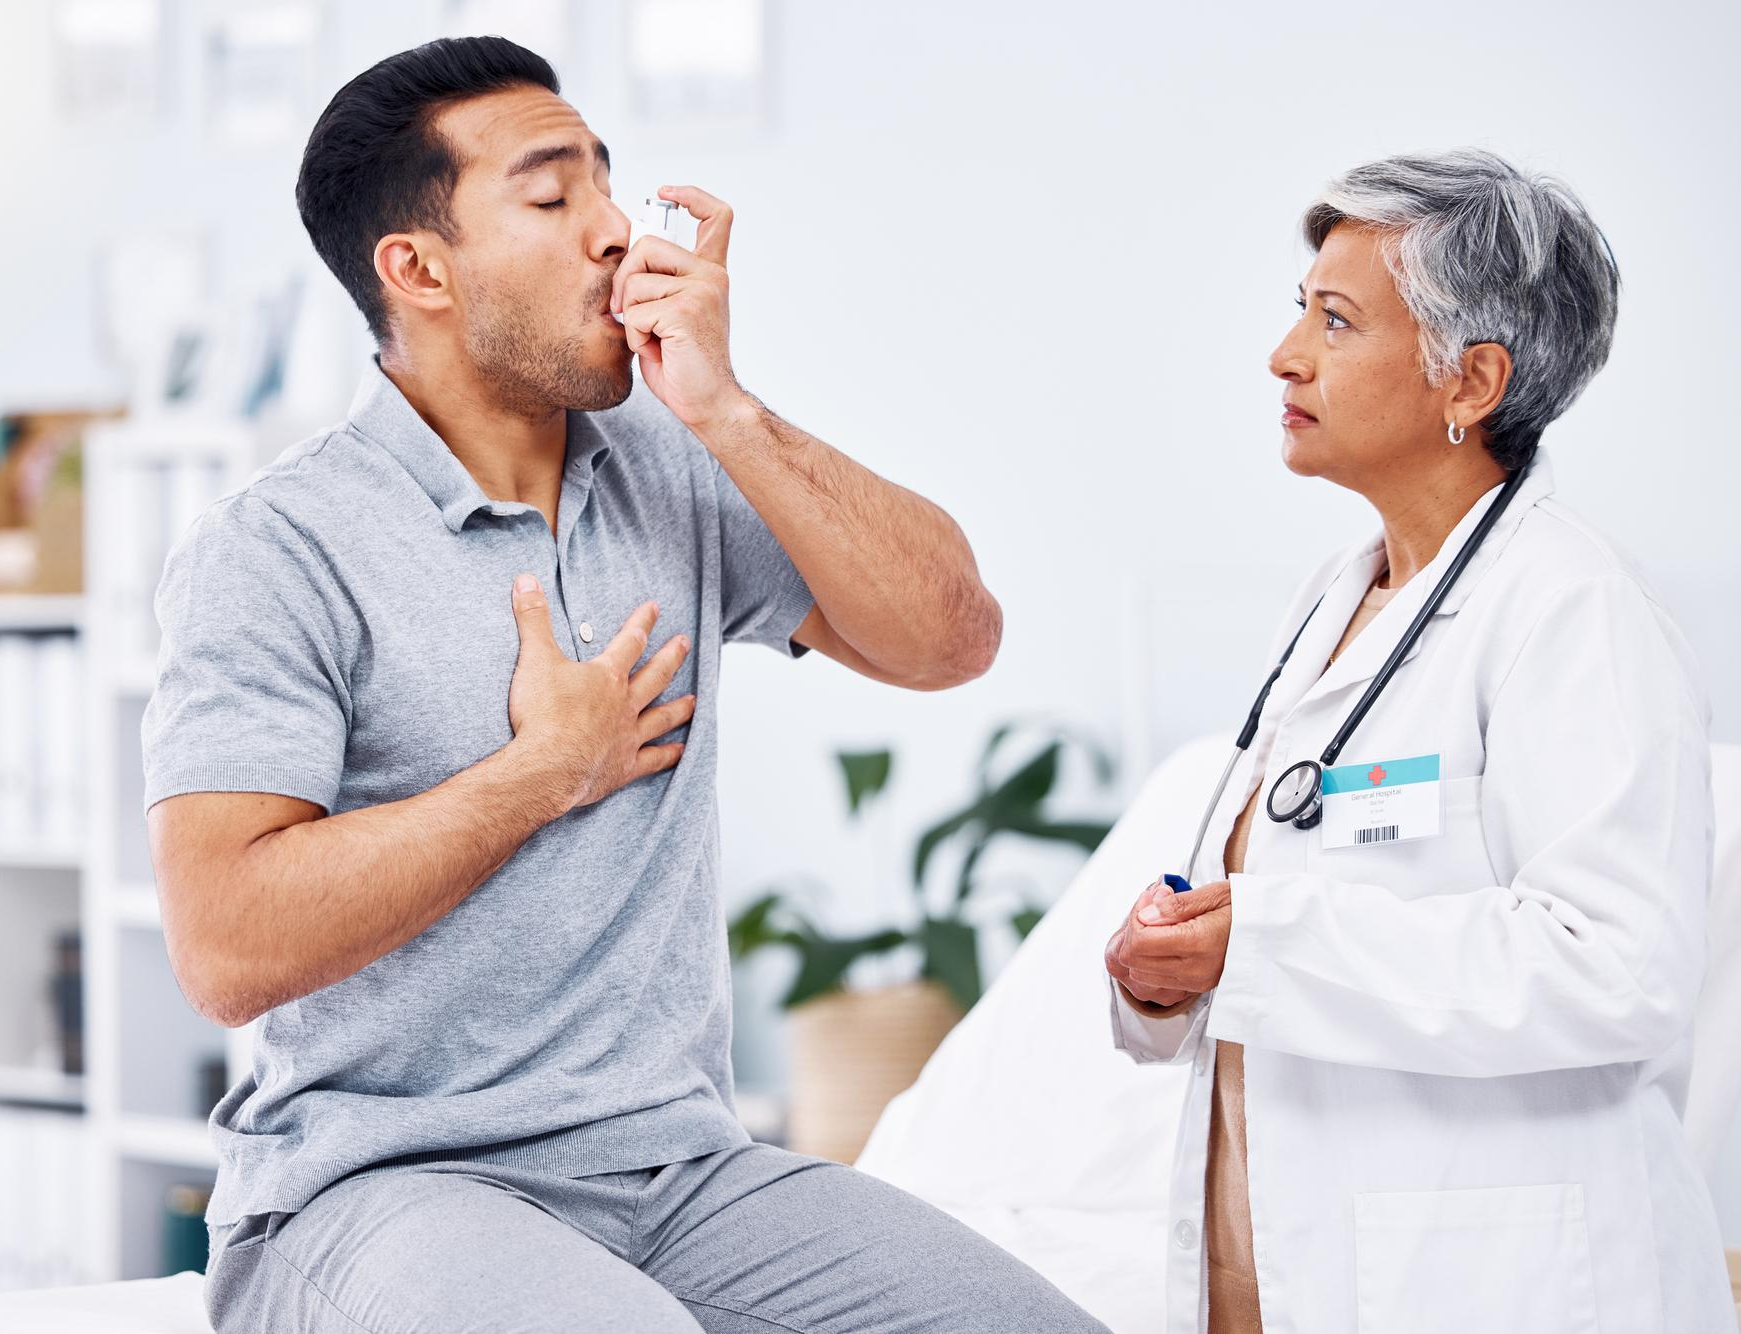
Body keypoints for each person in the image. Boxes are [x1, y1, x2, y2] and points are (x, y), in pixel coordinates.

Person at [143, 35, 1106, 1334]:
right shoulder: (277, 547)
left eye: (609, 182)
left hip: (681, 1169)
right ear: (416, 268)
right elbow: (228, 944)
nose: (615, 231)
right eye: (552, 197)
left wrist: (725, 411)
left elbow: (949, 637)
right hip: (376, 1185)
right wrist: (544, 771)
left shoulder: (672, 467)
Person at [1103, 147, 1734, 1333]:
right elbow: (1278, 919)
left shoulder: (1572, 610)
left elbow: (1620, 968)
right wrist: (1166, 975)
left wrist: (1264, 940)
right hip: (1279, 1263)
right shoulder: (1338, 599)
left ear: (1471, 381)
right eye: (1299, 311)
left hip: (1494, 1282)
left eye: (1335, 323)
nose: (1284, 354)